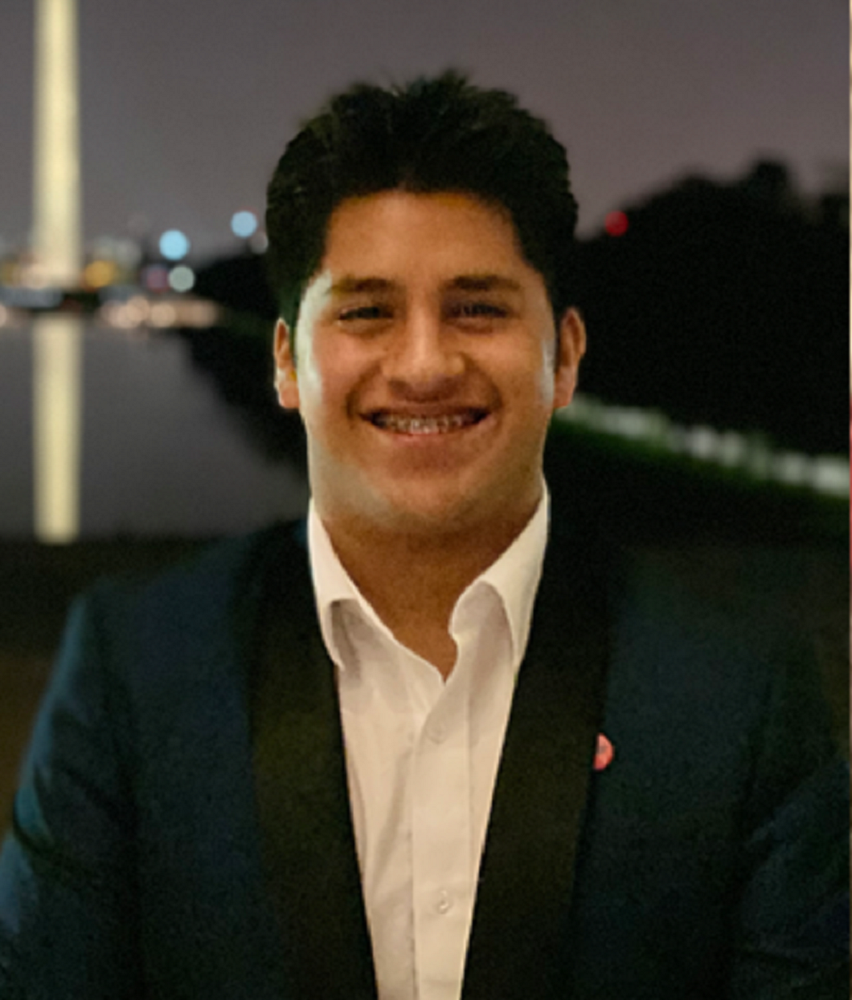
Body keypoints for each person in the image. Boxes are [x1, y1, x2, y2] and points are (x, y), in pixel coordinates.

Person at [0, 72, 847, 1000]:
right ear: (285, 359)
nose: (424, 365)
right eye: (366, 311)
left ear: (563, 356)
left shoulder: (740, 697)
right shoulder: (132, 675)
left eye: (477, 309)